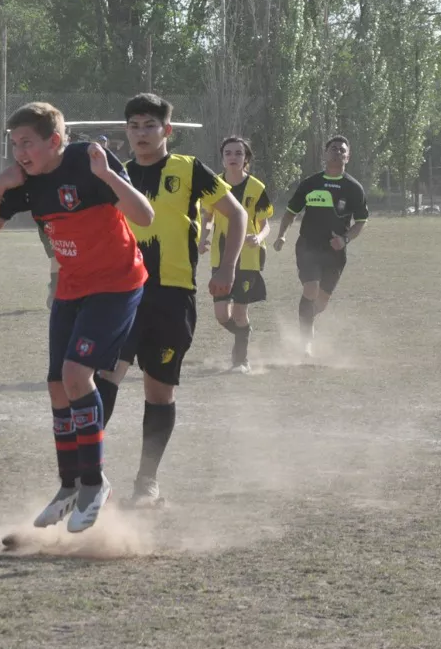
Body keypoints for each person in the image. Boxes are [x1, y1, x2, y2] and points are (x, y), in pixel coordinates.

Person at [0, 102, 153, 533]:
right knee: (57, 385)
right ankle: (69, 483)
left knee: (76, 375)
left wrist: (108, 176)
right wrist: (0, 187)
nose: (19, 152)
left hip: (116, 283)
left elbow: (144, 217)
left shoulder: (86, 160)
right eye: (14, 144)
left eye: (27, 143)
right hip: (72, 287)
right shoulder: (25, 179)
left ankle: (95, 483)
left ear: (54, 141)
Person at [97, 93, 247, 508]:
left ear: (168, 130)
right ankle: (89, 478)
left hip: (172, 296)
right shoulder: (118, 176)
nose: (141, 133)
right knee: (104, 379)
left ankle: (147, 481)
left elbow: (237, 215)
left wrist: (226, 269)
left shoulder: (188, 169)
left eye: (149, 125)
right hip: (123, 295)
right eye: (134, 126)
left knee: (159, 393)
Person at [272, 135, 369, 357]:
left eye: (342, 150)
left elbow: (361, 221)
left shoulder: (354, 188)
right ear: (325, 154)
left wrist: (344, 239)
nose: (337, 152)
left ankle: (306, 319)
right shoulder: (310, 183)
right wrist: (282, 236)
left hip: (335, 252)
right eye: (333, 148)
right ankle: (306, 341)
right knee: (311, 289)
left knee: (321, 302)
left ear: (348, 156)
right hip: (308, 246)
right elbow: (290, 213)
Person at [200, 137, 274, 373]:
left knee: (241, 310)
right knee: (221, 315)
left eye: (238, 153)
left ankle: (241, 360)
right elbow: (208, 218)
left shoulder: (256, 188)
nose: (233, 157)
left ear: (246, 158)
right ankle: (244, 334)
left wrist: (259, 237)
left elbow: (266, 224)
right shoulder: (213, 186)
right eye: (228, 153)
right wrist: (204, 238)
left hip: (248, 257)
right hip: (220, 257)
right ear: (222, 158)